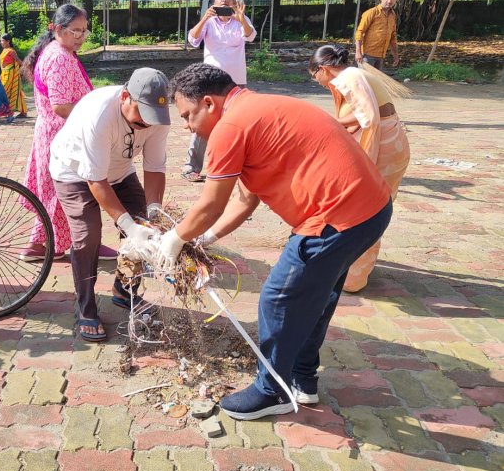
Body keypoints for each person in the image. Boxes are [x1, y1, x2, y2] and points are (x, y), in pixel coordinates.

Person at [150, 63, 392, 419]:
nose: (187, 126)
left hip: (336, 217)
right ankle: (302, 379)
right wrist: (207, 237)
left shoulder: (229, 128)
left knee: (279, 299)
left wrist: (175, 238)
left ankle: (271, 390)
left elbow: (212, 202)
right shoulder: (256, 109)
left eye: (188, 115)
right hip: (371, 209)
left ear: (209, 103)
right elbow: (246, 199)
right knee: (316, 298)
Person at [50, 68, 171, 342]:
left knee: (144, 226)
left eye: (153, 117)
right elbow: (96, 181)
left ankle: (124, 290)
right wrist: (127, 225)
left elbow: (154, 168)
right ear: (126, 97)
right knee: (87, 236)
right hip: (74, 172)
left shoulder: (157, 119)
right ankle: (86, 306)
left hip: (120, 171)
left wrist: (152, 214)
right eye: (142, 114)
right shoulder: (100, 113)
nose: (147, 123)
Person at [310, 44, 410, 292]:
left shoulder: (349, 76)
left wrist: (326, 123)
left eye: (315, 77)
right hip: (392, 143)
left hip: (386, 147)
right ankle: (353, 266)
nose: (318, 83)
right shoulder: (352, 75)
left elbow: (367, 116)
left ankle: (354, 276)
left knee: (366, 209)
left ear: (323, 69)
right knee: (369, 206)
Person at [19, 4, 100, 262]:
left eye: (84, 31)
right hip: (61, 137)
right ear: (57, 29)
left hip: (54, 134)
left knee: (57, 194)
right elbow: (62, 105)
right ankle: (77, 244)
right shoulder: (60, 57)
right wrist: (94, 109)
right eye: (75, 31)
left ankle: (41, 244)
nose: (81, 37)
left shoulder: (57, 51)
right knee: (67, 194)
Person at [183, 0, 256, 182]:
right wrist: (205, 18)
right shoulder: (209, 22)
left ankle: (238, 165)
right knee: (203, 121)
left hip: (235, 82)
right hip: (211, 81)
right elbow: (192, 40)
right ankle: (191, 167)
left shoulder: (241, 19)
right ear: (214, 2)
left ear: (233, 2)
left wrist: (241, 20)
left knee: (238, 122)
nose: (224, 0)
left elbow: (250, 36)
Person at [355, 0, 400, 70]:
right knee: (364, 80)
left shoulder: (392, 15)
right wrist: (358, 52)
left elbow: (393, 37)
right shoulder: (371, 13)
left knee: (375, 81)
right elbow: (359, 32)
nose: (390, 1)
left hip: (381, 55)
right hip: (367, 54)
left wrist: (396, 56)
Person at [0, 34, 28, 118]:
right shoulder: (4, 50)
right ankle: (23, 112)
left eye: (2, 40)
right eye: (1, 41)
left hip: (9, 74)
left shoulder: (11, 51)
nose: (1, 42)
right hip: (4, 73)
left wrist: (27, 68)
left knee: (4, 91)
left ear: (8, 41)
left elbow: (18, 60)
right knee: (16, 91)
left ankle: (8, 111)